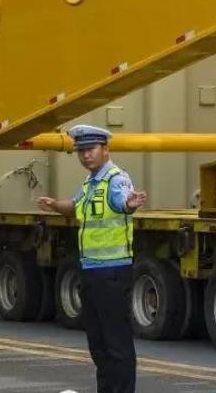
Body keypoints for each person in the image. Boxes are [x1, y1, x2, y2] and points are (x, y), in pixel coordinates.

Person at [37, 124, 147, 393]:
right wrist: (54, 205)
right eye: (81, 151)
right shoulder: (91, 183)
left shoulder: (116, 179)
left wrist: (129, 205)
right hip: (91, 270)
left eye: (90, 150)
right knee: (98, 343)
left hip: (112, 272)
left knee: (116, 342)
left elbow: (123, 201)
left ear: (105, 149)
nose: (85, 155)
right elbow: (74, 207)